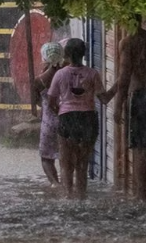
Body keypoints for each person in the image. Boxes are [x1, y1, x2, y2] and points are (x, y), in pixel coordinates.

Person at [48, 38, 112, 199]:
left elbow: (51, 102)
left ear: (67, 55)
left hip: (67, 118)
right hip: (88, 119)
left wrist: (61, 112)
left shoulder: (60, 74)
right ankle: (81, 198)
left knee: (66, 164)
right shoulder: (92, 74)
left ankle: (68, 197)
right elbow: (104, 99)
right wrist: (119, 85)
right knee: (82, 164)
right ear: (84, 54)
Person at [111, 16, 146, 200]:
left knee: (140, 148)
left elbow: (124, 76)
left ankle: (141, 197)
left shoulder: (128, 42)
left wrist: (118, 105)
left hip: (140, 97)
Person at [33, 41, 66, 186]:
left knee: (46, 157)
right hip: (67, 119)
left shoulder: (39, 80)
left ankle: (55, 184)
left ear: (44, 58)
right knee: (65, 156)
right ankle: (67, 185)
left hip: (49, 122)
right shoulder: (67, 75)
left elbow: (37, 101)